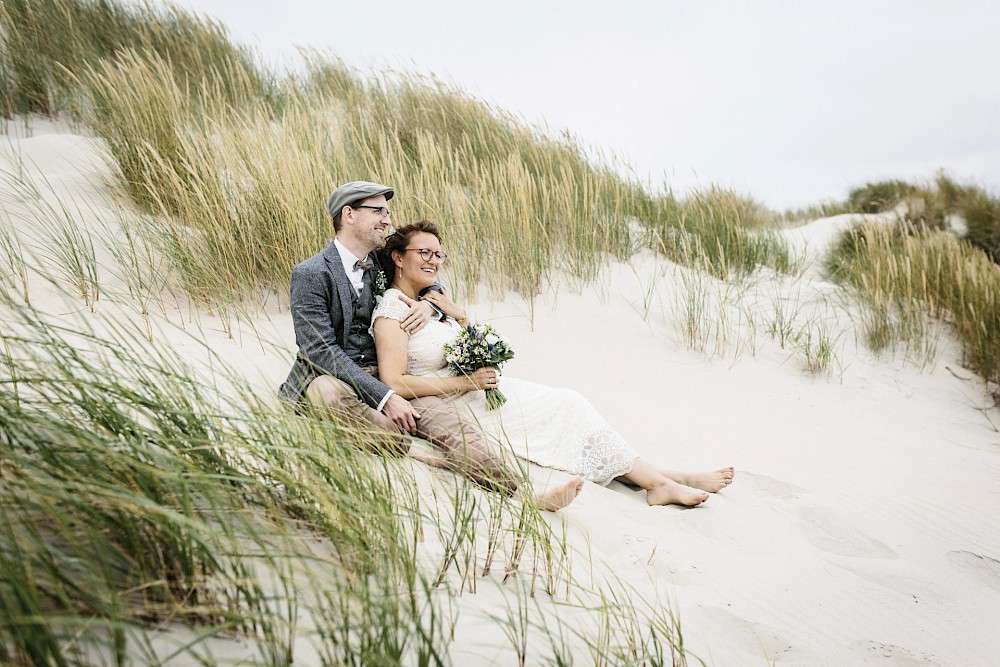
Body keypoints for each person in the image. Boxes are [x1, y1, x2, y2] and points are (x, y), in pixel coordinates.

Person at [372, 221, 735, 507]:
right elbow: (395, 382)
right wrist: (466, 384)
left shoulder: (433, 302)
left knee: (569, 405)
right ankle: (660, 482)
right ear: (399, 258)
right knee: (568, 406)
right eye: (424, 252)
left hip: (479, 391)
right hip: (457, 401)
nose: (434, 260)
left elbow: (472, 344)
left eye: (439, 254)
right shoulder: (392, 313)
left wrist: (461, 316)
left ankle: (666, 478)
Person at [278, 181, 583, 511]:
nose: (386, 220)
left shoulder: (379, 261)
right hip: (337, 376)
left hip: (388, 374)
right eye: (378, 211)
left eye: (387, 212)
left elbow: (425, 272)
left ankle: (522, 491)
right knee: (327, 395)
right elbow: (319, 350)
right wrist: (386, 396)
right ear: (349, 214)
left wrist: (430, 304)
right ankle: (412, 450)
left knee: (455, 428)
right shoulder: (310, 273)